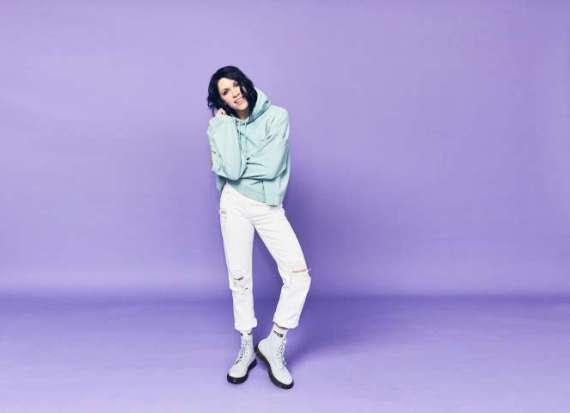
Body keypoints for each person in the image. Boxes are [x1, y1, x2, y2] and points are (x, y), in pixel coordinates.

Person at [206, 66, 312, 389]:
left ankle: (274, 342)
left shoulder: (277, 116)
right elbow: (231, 169)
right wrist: (224, 126)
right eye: (225, 92)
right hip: (234, 203)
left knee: (298, 275)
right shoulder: (220, 126)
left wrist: (237, 167)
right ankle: (246, 345)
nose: (234, 93)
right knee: (239, 277)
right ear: (220, 101)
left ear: (245, 84)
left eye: (235, 85)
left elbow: (271, 165)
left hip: (267, 205)